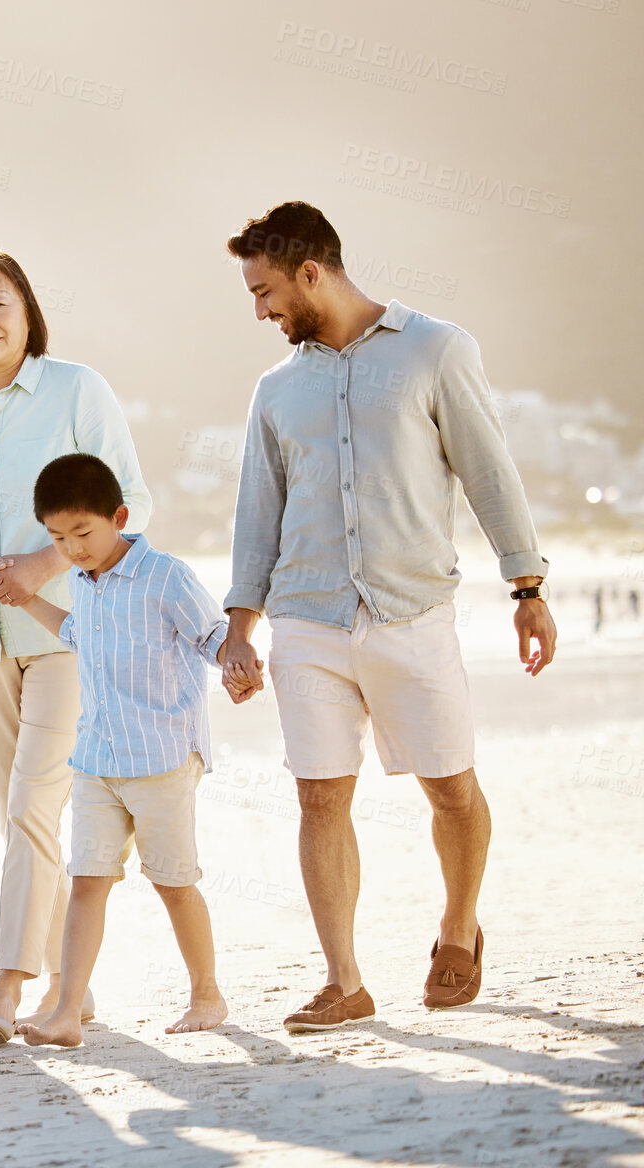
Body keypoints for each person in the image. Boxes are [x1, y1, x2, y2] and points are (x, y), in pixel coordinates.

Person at [218, 201, 557, 1033]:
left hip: (412, 612)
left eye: (264, 291)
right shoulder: (276, 389)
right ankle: (345, 980)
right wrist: (240, 624)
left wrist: (527, 587)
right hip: (308, 618)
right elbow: (257, 513)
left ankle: (456, 924)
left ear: (311, 271)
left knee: (450, 789)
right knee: (319, 799)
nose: (259, 311)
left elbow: (488, 471)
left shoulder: (437, 350)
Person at [0, 251, 152, 1042]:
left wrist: (49, 563)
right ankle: (68, 996)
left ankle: (10, 985)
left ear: (27, 312)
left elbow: (132, 502)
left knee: (32, 807)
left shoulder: (76, 389)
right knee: (20, 818)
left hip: (67, 632)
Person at [7, 455, 235, 1048]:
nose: (73, 549)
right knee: (86, 880)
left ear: (119, 517)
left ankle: (207, 993)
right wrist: (27, 597)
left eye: (83, 533)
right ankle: (65, 1011)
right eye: (58, 539)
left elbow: (212, 635)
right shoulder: (82, 583)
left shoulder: (166, 576)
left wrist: (236, 663)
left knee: (174, 882)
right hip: (97, 762)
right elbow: (76, 633)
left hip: (161, 759)